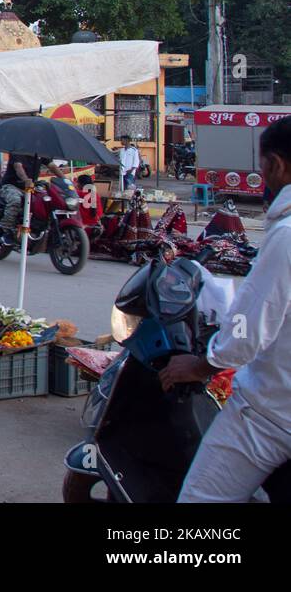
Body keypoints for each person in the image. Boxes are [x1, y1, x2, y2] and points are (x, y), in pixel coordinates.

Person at [160, 116, 291, 502]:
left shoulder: (286, 236)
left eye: (263, 164)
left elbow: (248, 333)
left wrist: (202, 365)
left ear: (275, 166)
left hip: (271, 413)